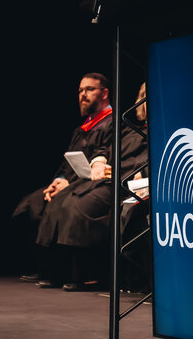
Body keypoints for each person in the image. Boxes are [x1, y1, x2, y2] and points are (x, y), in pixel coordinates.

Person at [10, 74, 116, 287]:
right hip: (71, 181)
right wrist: (58, 180)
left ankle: (74, 273)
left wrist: (69, 183)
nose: (82, 95)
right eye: (80, 91)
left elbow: (103, 161)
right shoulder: (83, 128)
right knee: (33, 202)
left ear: (104, 93)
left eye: (88, 90)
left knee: (67, 202)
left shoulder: (113, 124)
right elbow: (68, 163)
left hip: (93, 183)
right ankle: (47, 267)